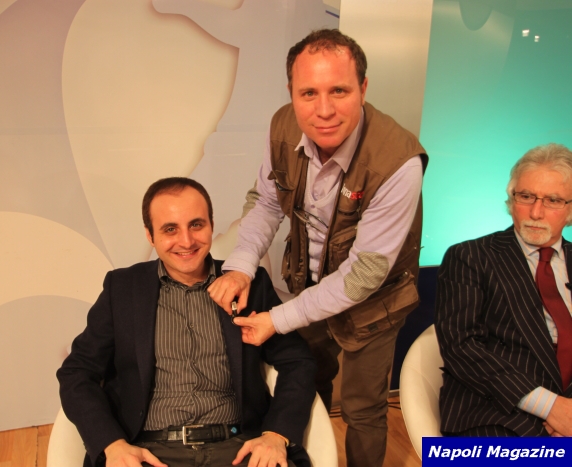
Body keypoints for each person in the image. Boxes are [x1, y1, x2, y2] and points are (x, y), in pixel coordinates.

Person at [207, 29, 427, 466]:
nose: (323, 110)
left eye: (339, 91)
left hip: (375, 302)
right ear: (291, 92)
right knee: (308, 383)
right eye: (308, 93)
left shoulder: (399, 162)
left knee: (363, 409)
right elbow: (267, 201)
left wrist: (278, 319)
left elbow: (364, 276)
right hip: (308, 287)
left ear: (363, 88)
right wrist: (240, 266)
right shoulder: (282, 125)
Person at [57, 177, 316, 467]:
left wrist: (276, 434)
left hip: (239, 449)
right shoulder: (123, 288)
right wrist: (112, 445)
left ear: (211, 225)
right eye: (170, 229)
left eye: (196, 225)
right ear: (150, 235)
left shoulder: (250, 285)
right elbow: (77, 373)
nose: (187, 241)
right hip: (147, 452)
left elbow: (298, 361)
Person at [436, 143, 572, 437]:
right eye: (526, 196)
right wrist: (551, 407)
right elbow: (461, 347)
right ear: (511, 200)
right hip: (496, 412)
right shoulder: (469, 257)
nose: (536, 212)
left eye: (553, 200)